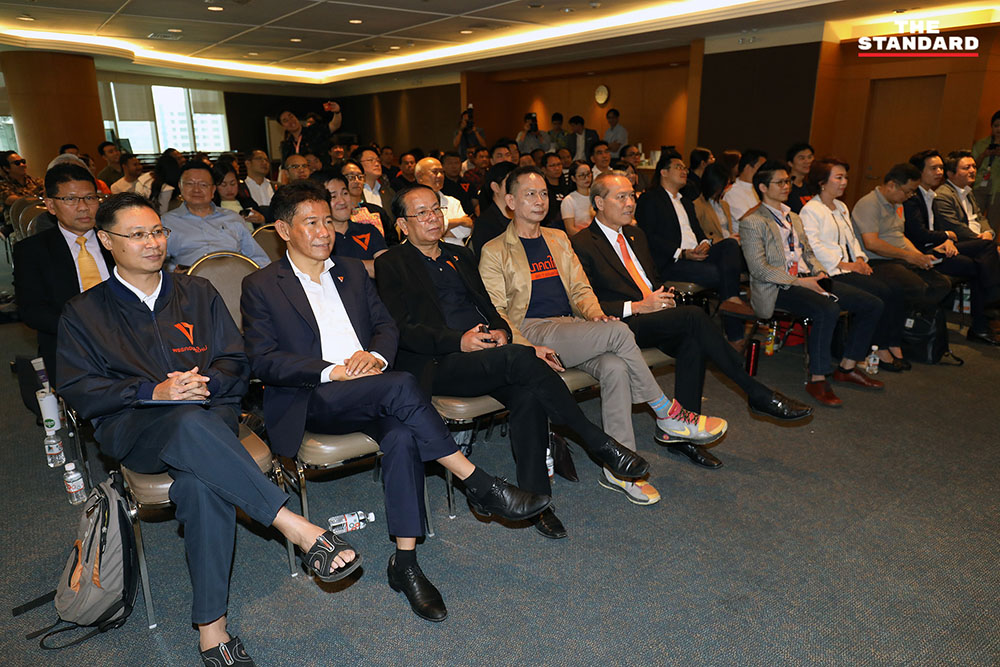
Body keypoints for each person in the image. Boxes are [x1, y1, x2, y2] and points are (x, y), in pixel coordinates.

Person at [55, 192, 359, 665]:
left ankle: (211, 629)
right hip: (135, 427)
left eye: (157, 232)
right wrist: (153, 392)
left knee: (199, 484)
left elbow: (236, 361)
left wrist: (207, 382)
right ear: (107, 241)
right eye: (137, 235)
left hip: (210, 413)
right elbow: (80, 388)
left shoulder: (196, 292)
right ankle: (293, 525)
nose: (152, 243)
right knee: (182, 420)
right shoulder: (84, 312)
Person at [240, 181, 549, 622]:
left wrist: (376, 356)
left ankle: (405, 563)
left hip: (372, 387)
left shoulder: (350, 270)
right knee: (403, 384)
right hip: (314, 397)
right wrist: (331, 370)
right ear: (284, 230)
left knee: (402, 435)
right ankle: (478, 483)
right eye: (312, 223)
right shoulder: (262, 285)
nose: (325, 231)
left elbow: (387, 327)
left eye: (328, 221)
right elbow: (263, 359)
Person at [377, 184, 650, 529]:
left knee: (528, 393)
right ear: (402, 224)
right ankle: (594, 439)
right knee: (521, 359)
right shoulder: (391, 263)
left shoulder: (459, 255)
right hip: (440, 362)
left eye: (436, 209)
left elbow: (489, 306)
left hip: (486, 354)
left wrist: (501, 330)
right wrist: (458, 340)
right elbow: (402, 329)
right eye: (422, 213)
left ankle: (537, 502)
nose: (433, 218)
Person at [480, 166, 729, 503]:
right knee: (619, 331)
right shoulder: (495, 250)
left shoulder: (557, 238)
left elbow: (581, 289)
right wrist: (528, 347)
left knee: (615, 366)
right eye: (530, 194)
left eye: (543, 194)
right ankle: (666, 412)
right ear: (510, 201)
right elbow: (496, 313)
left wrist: (595, 314)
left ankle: (620, 468)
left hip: (569, 325)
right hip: (532, 329)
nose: (539, 201)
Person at [572, 172, 811, 429]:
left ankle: (685, 430)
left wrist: (666, 297)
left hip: (654, 318)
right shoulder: (581, 244)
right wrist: (639, 306)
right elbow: (583, 305)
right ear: (599, 202)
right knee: (694, 316)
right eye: (621, 197)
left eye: (632, 196)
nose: (630, 203)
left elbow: (654, 281)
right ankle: (754, 391)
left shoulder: (635, 235)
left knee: (693, 341)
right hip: (619, 325)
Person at [741, 160, 885, 407]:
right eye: (780, 182)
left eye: (788, 181)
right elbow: (760, 269)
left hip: (808, 279)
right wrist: (800, 282)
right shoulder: (753, 222)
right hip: (778, 287)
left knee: (872, 304)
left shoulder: (793, 218)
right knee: (827, 309)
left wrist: (819, 273)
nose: (787, 186)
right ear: (763, 188)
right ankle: (817, 378)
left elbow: (808, 253)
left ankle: (847, 367)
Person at [634, 147, 754, 348]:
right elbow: (648, 236)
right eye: (678, 167)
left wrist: (704, 245)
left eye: (685, 168)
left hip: (696, 255)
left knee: (730, 244)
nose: (685, 171)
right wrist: (682, 253)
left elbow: (700, 234)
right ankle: (735, 334)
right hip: (672, 261)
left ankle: (731, 301)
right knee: (724, 273)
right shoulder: (650, 198)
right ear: (663, 172)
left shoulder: (687, 203)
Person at [799, 159, 910, 369]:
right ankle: (877, 348)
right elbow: (813, 247)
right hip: (830, 272)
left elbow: (851, 239)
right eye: (838, 178)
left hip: (847, 268)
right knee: (880, 294)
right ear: (822, 182)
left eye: (845, 178)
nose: (844, 182)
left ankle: (884, 344)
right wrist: (845, 265)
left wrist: (859, 259)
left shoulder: (840, 206)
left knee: (894, 289)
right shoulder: (811, 210)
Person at [13, 163, 113, 375]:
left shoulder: (116, 241)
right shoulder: (32, 250)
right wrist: (84, 330)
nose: (83, 207)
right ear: (51, 205)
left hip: (129, 341)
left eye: (90, 197)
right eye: (71, 199)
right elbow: (32, 311)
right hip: (69, 346)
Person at [905, 150, 1000, 345]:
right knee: (985, 257)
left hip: (942, 247)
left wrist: (946, 238)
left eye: (940, 167)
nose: (939, 172)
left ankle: (984, 319)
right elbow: (919, 234)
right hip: (924, 253)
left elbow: (978, 219)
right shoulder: (915, 197)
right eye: (934, 168)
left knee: (983, 260)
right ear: (919, 172)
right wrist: (946, 236)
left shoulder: (931, 194)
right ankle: (988, 311)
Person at [851, 163, 952, 312]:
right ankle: (908, 319)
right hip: (876, 261)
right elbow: (871, 243)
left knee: (942, 283)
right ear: (892, 185)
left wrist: (919, 256)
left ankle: (914, 319)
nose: (910, 196)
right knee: (916, 286)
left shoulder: (898, 203)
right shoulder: (869, 204)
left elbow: (899, 236)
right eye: (908, 191)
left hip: (898, 258)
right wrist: (908, 256)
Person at [162, 162, 270, 269]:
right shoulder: (166, 222)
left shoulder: (233, 218)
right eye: (190, 184)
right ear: (180, 187)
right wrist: (173, 273)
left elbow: (258, 259)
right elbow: (158, 262)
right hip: (189, 278)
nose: (196, 190)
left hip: (233, 276)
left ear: (213, 190)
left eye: (203, 185)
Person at [933, 150, 995, 242]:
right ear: (950, 174)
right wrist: (980, 239)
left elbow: (980, 217)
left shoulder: (967, 191)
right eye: (967, 168)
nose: (972, 170)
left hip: (979, 240)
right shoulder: (943, 195)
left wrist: (988, 232)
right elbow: (955, 227)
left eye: (974, 166)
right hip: (962, 241)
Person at [414, 157, 473, 246]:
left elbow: (466, 230)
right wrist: (460, 221)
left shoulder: (453, 202)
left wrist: (439, 231)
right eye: (435, 172)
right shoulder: (412, 203)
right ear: (419, 176)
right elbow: (419, 232)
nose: (440, 176)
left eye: (442, 172)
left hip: (456, 250)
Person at [337, 159, 397, 245]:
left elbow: (392, 241)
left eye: (360, 177)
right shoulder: (337, 214)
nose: (357, 181)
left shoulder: (377, 211)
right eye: (351, 177)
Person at [468, 161, 516, 258]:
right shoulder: (485, 223)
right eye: (511, 182)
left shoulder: (524, 215)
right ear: (495, 187)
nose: (517, 187)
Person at [277, 102, 342, 162]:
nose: (291, 121)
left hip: (321, 169)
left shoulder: (314, 131)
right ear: (283, 126)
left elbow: (334, 126)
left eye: (291, 117)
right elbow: (285, 165)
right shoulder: (287, 145)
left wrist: (337, 112)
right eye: (285, 120)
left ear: (296, 117)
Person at [692, 162, 737, 241]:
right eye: (724, 186)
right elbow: (698, 234)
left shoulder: (724, 205)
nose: (725, 189)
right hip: (714, 245)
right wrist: (726, 240)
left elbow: (728, 230)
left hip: (729, 243)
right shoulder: (697, 205)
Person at [212, 165, 266, 229]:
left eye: (233, 184)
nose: (229, 189)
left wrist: (261, 220)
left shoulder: (248, 202)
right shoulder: (212, 208)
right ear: (215, 186)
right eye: (223, 185)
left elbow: (263, 227)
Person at [723, 148, 767, 224]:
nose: (764, 172)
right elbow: (746, 219)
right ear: (748, 167)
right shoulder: (732, 191)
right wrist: (768, 201)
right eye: (761, 168)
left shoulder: (759, 188)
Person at [971, 109, 1000, 227]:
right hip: (980, 184)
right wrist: (984, 155)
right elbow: (973, 166)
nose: (999, 129)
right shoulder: (981, 144)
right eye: (996, 126)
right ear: (991, 127)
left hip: (998, 188)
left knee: (993, 221)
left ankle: (990, 239)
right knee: (975, 218)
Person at [352, 145, 395, 211]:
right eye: (370, 160)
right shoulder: (353, 191)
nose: (377, 164)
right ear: (358, 164)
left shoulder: (389, 192)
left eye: (378, 160)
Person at [560, 160, 594, 236]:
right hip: (582, 237)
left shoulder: (596, 194)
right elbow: (570, 230)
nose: (586, 178)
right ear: (573, 178)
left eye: (588, 174)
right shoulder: (569, 200)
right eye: (582, 175)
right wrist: (590, 237)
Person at [440, 151, 474, 216]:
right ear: (442, 166)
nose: (454, 166)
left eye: (457, 163)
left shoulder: (468, 183)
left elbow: (475, 204)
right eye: (450, 163)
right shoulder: (440, 185)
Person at [149, 150, 183, 215]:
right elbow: (162, 213)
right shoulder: (167, 188)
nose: (183, 160)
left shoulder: (151, 181)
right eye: (178, 159)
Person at [785, 142, 816, 213]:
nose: (807, 161)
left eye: (810, 157)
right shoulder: (786, 187)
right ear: (790, 163)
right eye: (802, 158)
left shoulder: (810, 187)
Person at [542, 151, 569, 230]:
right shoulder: (543, 191)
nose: (557, 168)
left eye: (559, 164)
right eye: (552, 166)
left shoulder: (567, 188)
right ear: (544, 169)